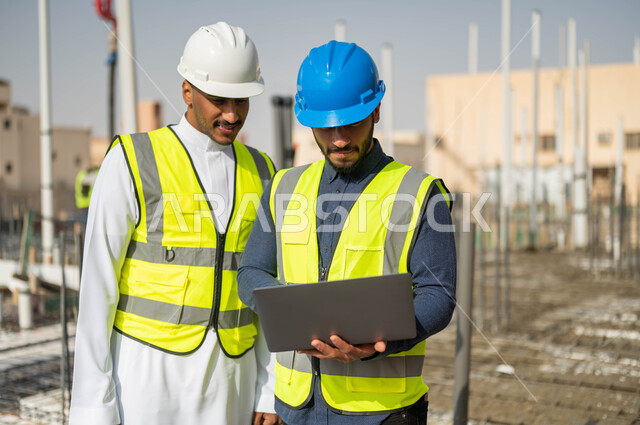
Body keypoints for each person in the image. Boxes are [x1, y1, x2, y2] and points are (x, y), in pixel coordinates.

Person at [69, 22, 282, 425]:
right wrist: (93, 410)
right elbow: (97, 293)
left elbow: (268, 290)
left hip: (233, 386)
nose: (232, 114)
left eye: (242, 100)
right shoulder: (132, 161)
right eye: (219, 99)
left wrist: (269, 390)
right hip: (146, 386)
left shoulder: (264, 171)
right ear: (187, 91)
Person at [237, 40, 457, 424]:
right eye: (325, 126)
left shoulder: (420, 193)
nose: (338, 139)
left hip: (381, 414)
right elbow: (251, 273)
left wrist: (376, 343)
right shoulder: (283, 188)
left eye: (351, 123)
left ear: (375, 111)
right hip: (297, 409)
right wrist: (298, 314)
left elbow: (438, 296)